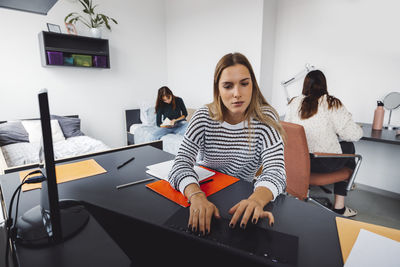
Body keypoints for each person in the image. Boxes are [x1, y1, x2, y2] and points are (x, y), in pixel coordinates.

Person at [168, 53, 286, 236]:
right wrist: (196, 196)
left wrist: (256, 200)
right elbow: (180, 164)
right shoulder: (203, 117)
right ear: (218, 89)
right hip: (203, 193)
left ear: (253, 85)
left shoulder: (265, 119)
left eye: (244, 83)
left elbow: (276, 171)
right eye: (228, 86)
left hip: (243, 198)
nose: (237, 93)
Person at [284, 70, 362, 217]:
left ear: (305, 85)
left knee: (344, 147)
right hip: (322, 164)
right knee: (349, 147)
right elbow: (354, 134)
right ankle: (340, 207)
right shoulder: (331, 103)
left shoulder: (294, 103)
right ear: (324, 85)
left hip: (297, 164)